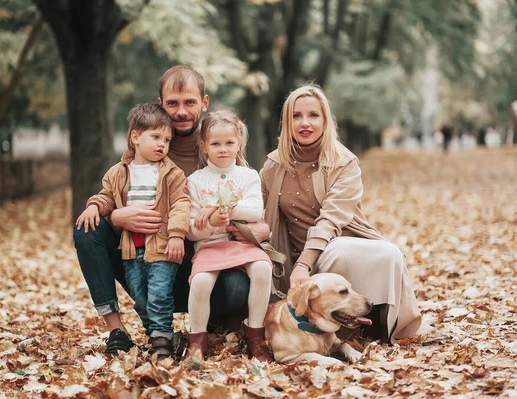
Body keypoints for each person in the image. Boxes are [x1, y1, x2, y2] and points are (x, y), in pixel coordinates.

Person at [73, 65, 270, 356]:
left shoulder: (220, 146)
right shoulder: (148, 146)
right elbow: (113, 193)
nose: (181, 111)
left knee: (238, 288)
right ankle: (117, 330)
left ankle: (210, 323)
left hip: (204, 261)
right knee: (87, 229)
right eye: (172, 103)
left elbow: (251, 204)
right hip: (150, 259)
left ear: (204, 103)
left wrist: (257, 229)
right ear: (160, 104)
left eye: (189, 102)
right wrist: (116, 217)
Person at [260, 84, 425, 343]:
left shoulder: (344, 163)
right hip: (292, 260)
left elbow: (331, 219)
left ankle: (373, 327)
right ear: (286, 121)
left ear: (325, 120)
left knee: (385, 253)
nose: (305, 122)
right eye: (296, 115)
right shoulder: (272, 166)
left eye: (313, 115)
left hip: (338, 246)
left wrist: (306, 262)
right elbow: (259, 217)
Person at [75, 103, 191, 358]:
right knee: (140, 298)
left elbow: (182, 204)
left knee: (159, 294)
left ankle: (162, 339)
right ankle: (157, 336)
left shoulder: (171, 173)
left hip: (161, 248)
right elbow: (106, 196)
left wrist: (176, 235)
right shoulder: (118, 173)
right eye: (156, 137)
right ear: (135, 137)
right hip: (131, 250)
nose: (162, 144)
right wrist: (95, 206)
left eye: (167, 140)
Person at [185, 110, 272, 361]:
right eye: (215, 143)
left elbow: (256, 211)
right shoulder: (195, 181)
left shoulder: (248, 176)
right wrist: (210, 222)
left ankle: (256, 336)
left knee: (262, 269)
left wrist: (227, 208)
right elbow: (192, 231)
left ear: (239, 144)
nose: (222, 149)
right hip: (209, 247)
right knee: (201, 281)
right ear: (204, 147)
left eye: (229, 143)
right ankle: (197, 342)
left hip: (240, 243)